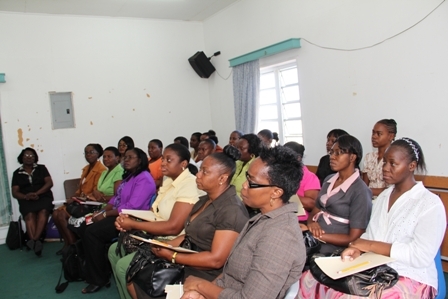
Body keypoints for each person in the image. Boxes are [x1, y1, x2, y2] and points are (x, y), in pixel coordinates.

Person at [299, 138, 446, 299]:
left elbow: (420, 256)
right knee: (311, 280)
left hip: (411, 276)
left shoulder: (429, 203)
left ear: (411, 166)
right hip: (375, 267)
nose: (385, 169)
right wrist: (357, 248)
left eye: (393, 164)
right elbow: (371, 233)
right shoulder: (383, 197)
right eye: (384, 163)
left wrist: (369, 245)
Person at [182, 146, 306, 299]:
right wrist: (202, 292)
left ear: (276, 192)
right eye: (247, 178)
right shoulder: (263, 218)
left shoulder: (280, 236)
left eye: (252, 183)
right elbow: (230, 275)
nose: (244, 186)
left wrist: (200, 285)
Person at [133, 149, 250, 299]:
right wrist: (165, 246)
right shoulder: (204, 200)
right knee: (140, 275)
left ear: (222, 178)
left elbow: (216, 260)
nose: (198, 175)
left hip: (206, 273)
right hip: (187, 259)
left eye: (205, 172)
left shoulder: (231, 210)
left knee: (152, 284)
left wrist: (172, 256)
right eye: (200, 170)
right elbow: (188, 236)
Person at [108, 143, 203, 299]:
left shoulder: (188, 184)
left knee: (123, 267)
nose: (163, 163)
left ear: (183, 164)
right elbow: (154, 212)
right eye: (163, 158)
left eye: (168, 159)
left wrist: (133, 224)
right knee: (114, 250)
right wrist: (130, 218)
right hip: (155, 233)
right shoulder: (168, 179)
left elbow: (174, 227)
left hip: (173, 240)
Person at [81, 147, 156, 294]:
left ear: (139, 160)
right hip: (120, 215)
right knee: (86, 226)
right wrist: (102, 211)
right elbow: (116, 198)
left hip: (133, 219)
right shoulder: (129, 176)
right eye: (124, 157)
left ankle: (99, 279)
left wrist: (105, 215)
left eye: (130, 157)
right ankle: (94, 271)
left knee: (92, 233)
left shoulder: (144, 179)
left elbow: (131, 207)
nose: (125, 160)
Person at [307, 135, 372, 254]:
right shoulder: (329, 180)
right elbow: (315, 211)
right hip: (316, 238)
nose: (332, 157)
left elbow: (354, 238)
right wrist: (312, 224)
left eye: (338, 153)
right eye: (331, 152)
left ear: (352, 157)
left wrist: (318, 236)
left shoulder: (360, 191)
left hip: (335, 246)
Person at [53, 143, 107, 250]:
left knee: (61, 215)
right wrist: (73, 197)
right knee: (55, 213)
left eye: (91, 152)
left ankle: (73, 245)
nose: (88, 155)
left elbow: (96, 192)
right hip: (79, 201)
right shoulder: (86, 169)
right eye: (86, 153)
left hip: (89, 204)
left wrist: (81, 199)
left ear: (98, 154)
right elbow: (80, 190)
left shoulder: (101, 170)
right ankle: (67, 242)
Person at [67, 146, 124, 233]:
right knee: (74, 222)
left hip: (110, 208)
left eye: (109, 157)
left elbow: (117, 197)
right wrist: (95, 192)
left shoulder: (119, 172)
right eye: (104, 157)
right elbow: (97, 189)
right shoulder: (104, 172)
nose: (106, 159)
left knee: (84, 225)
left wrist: (103, 198)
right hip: (98, 205)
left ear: (117, 158)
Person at [11, 147, 54, 256]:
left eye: (32, 156)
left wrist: (37, 193)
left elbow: (49, 183)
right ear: (22, 157)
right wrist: (26, 196)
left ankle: (34, 240)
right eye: (26, 155)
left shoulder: (41, 168)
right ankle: (37, 242)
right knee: (29, 215)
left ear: (35, 158)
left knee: (43, 212)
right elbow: (15, 192)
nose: (29, 158)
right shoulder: (17, 173)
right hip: (26, 199)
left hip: (43, 197)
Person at [284, 141, 320, 222]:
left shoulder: (310, 177)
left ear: (298, 158)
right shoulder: (279, 173)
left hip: (299, 220)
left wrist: (285, 194)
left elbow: (311, 204)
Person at [362, 119, 397, 197]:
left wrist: (366, 191)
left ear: (391, 136)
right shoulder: (369, 157)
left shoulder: (395, 158)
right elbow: (364, 185)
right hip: (368, 199)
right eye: (373, 133)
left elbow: (392, 190)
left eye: (379, 134)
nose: (374, 136)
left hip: (386, 199)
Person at [230, 134, 261, 199]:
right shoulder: (236, 163)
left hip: (243, 206)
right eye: (236, 148)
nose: (237, 151)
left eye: (241, 148)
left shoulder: (256, 168)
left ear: (252, 150)